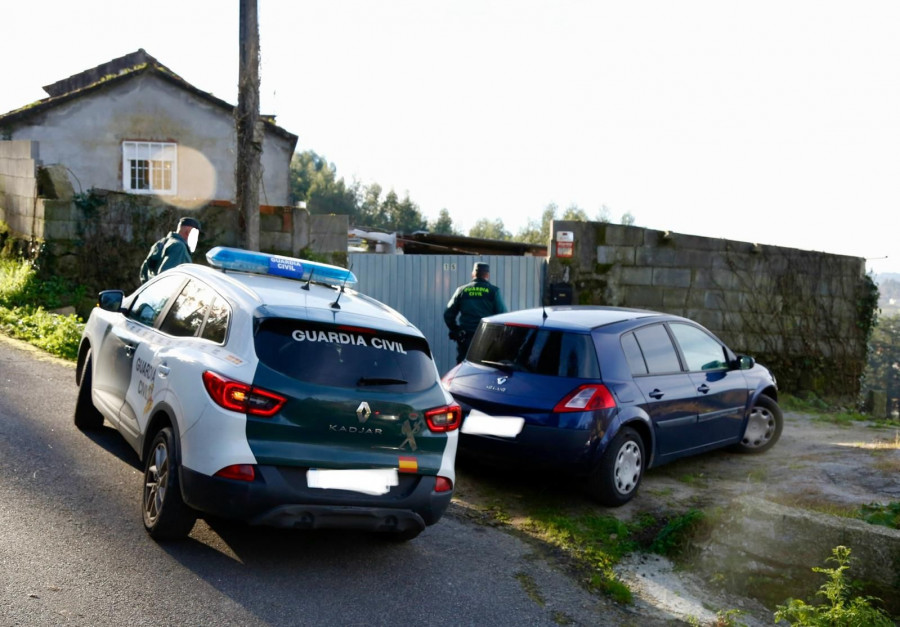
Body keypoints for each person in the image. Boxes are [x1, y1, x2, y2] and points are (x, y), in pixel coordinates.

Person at [444, 261, 507, 363]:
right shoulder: (493, 291)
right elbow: (503, 316)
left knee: (463, 368)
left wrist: (456, 330)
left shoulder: (462, 291)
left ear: (473, 274)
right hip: (487, 339)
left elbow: (448, 315)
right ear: (487, 275)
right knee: (485, 369)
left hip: (466, 338)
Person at [140, 217, 201, 283]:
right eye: (196, 234)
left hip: (150, 290)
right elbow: (167, 277)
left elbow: (144, 271)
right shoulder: (179, 247)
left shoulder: (161, 243)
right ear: (188, 232)